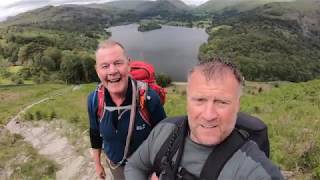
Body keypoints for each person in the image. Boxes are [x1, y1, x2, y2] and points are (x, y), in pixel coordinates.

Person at [124, 59, 284, 180]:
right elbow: (135, 166)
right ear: (187, 101)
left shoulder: (254, 168)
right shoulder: (164, 130)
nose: (209, 115)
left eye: (222, 102)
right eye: (199, 100)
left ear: (237, 105)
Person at [87, 40, 166, 180]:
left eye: (118, 63)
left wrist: (158, 171)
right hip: (117, 167)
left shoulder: (149, 98)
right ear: (97, 70)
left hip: (146, 169)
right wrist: (98, 164)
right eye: (105, 66)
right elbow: (95, 134)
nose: (112, 71)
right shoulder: (94, 100)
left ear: (128, 64)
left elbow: (165, 138)